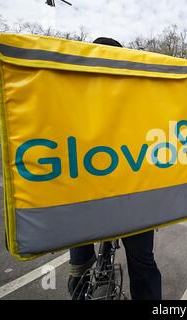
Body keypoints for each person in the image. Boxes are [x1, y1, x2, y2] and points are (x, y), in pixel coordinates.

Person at [67, 37, 162, 300]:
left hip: (88, 199)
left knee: (79, 261)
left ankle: (80, 274)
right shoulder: (137, 102)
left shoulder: (74, 101)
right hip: (132, 201)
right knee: (143, 265)